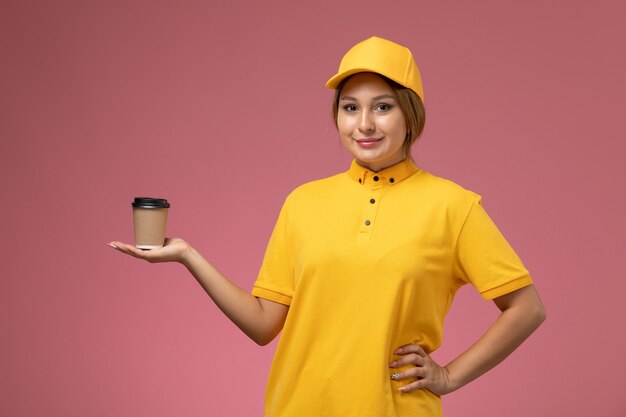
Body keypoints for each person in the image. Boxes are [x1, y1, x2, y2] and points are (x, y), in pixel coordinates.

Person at [109, 36, 546, 417]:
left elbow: (527, 308)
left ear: (411, 115)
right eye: (350, 107)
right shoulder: (303, 202)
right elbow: (263, 325)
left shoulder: (454, 206)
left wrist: (449, 376)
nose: (365, 124)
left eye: (383, 107)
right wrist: (187, 254)